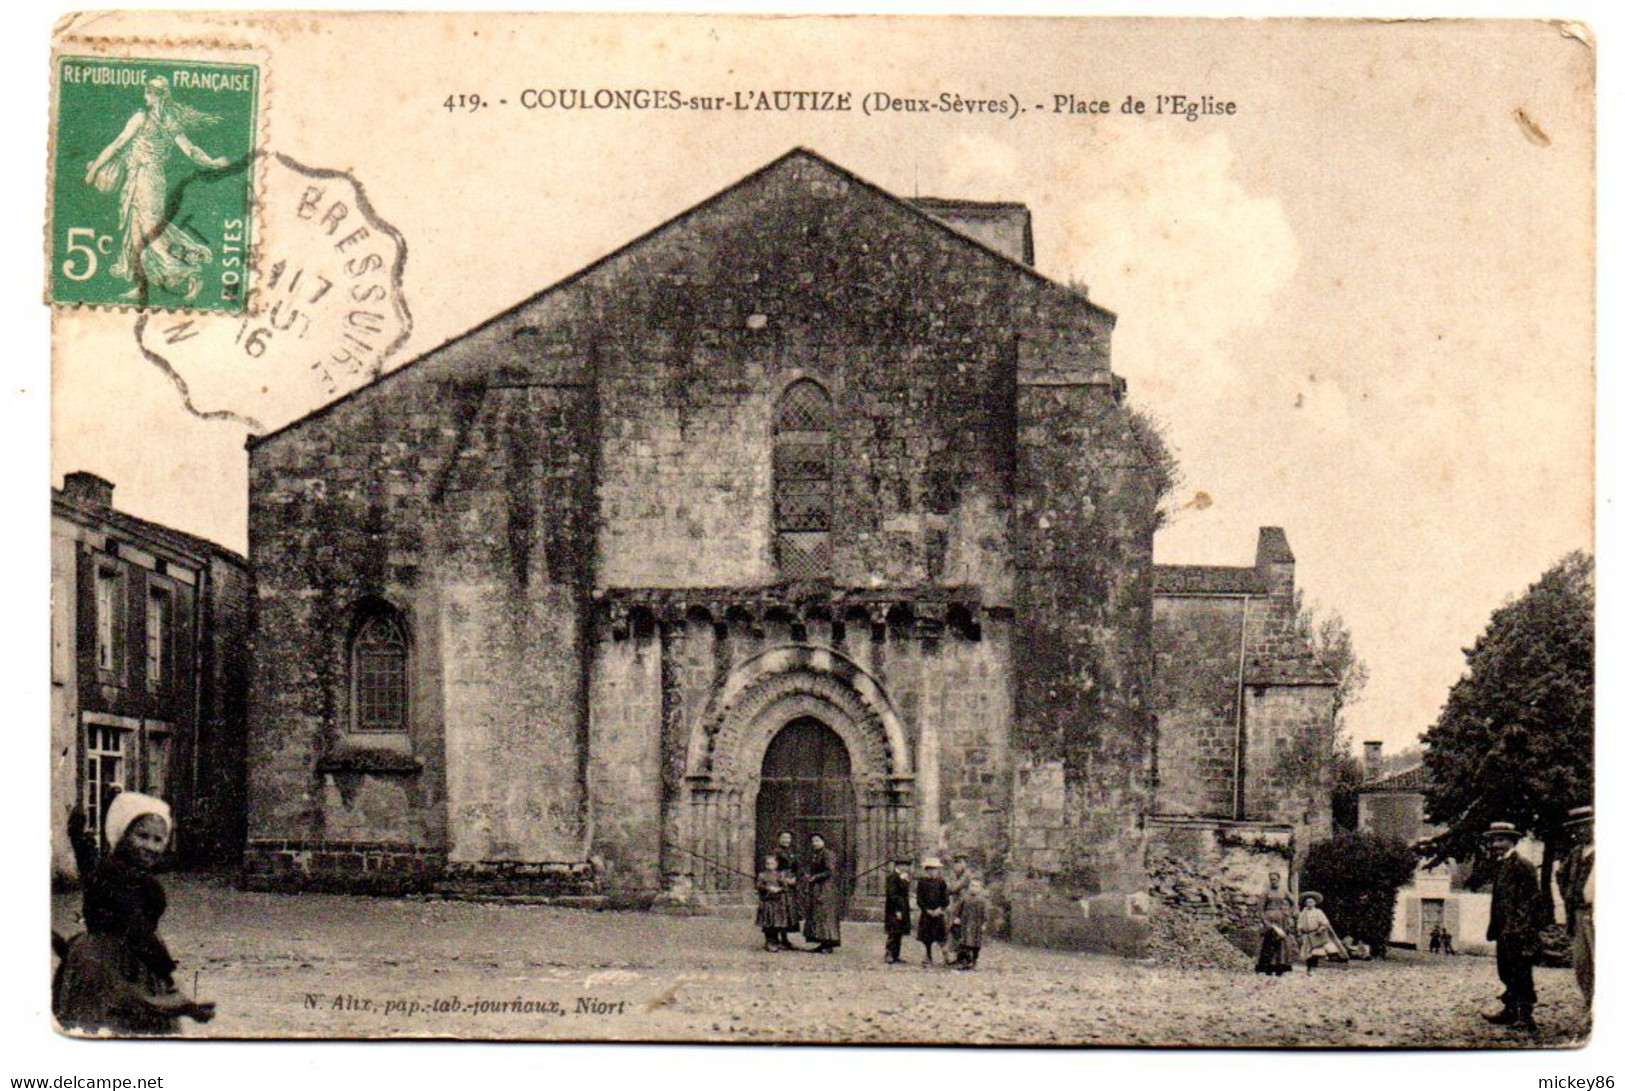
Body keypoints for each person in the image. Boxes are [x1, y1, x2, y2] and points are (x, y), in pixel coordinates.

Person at [53, 792, 215, 1034]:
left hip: (127, 960)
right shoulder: (116, 873)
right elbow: (135, 925)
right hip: (109, 966)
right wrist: (170, 974)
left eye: (158, 839)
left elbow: (89, 869)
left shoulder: (118, 870)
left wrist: (78, 837)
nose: (150, 846)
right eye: (142, 836)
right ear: (122, 835)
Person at [83, 78, 231, 301]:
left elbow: (117, 144)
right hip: (143, 178)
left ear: (152, 95)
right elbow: (191, 151)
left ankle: (190, 272)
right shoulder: (170, 121)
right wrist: (211, 162)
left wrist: (93, 170)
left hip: (147, 179)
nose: (146, 96)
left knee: (151, 231)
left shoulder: (141, 118)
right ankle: (142, 284)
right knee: (136, 232)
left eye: (148, 93)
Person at [1483, 821, 1547, 1028]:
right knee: (1505, 970)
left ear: (1512, 841)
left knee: (1521, 971)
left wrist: (1523, 929)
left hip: (1519, 929)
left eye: (1500, 840)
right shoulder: (1501, 865)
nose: (1495, 844)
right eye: (1493, 840)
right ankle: (1510, 1011)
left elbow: (1532, 900)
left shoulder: (1523, 865)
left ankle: (1526, 1016)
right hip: (1504, 928)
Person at [1559, 806, 1595, 1008]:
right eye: (1575, 828)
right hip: (1578, 913)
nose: (1579, 832)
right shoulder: (1576, 852)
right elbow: (1561, 876)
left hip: (1598, 912)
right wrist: (1569, 895)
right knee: (1581, 963)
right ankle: (1590, 1004)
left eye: (1584, 826)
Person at [801, 833, 842, 953]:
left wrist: (815, 877)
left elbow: (830, 870)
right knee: (818, 914)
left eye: (817, 841)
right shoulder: (816, 854)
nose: (815, 843)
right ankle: (823, 942)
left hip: (826, 887)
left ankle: (828, 944)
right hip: (818, 886)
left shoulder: (828, 854)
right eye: (813, 841)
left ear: (823, 841)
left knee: (825, 914)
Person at [1254, 871, 1295, 976]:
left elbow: (1293, 903)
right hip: (1269, 918)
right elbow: (1260, 909)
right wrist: (1265, 921)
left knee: (1280, 942)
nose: (1273, 881)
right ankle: (1266, 968)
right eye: (1271, 879)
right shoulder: (1266, 892)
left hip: (1281, 919)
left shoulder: (1284, 891)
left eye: (1275, 879)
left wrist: (1288, 914)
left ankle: (1279, 967)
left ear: (1279, 879)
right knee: (1267, 942)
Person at [1296, 893, 1349, 972]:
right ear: (1305, 904)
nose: (1309, 904)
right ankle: (1310, 967)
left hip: (1317, 934)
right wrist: (1299, 930)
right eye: (1307, 902)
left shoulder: (1318, 912)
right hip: (1307, 935)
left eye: (1311, 902)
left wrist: (1322, 927)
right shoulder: (1303, 913)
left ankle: (1339, 961)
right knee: (1308, 951)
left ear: (1314, 903)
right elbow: (1299, 922)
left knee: (1320, 950)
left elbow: (1325, 922)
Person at [756, 853, 796, 952]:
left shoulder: (780, 874)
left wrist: (781, 887)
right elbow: (759, 886)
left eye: (772, 864)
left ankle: (779, 941)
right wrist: (767, 887)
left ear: (777, 864)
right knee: (768, 922)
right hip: (767, 902)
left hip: (778, 902)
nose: (770, 866)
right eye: (767, 864)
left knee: (777, 921)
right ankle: (769, 941)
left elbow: (785, 887)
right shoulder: (762, 875)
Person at [915, 857, 950, 965]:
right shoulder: (922, 882)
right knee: (927, 937)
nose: (933, 871)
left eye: (935, 869)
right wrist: (926, 910)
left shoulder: (941, 882)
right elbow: (919, 899)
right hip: (927, 913)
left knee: (941, 936)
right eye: (930, 869)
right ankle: (928, 955)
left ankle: (946, 956)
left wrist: (941, 908)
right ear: (926, 870)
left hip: (938, 913)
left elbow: (945, 898)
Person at [773, 831, 804, 949]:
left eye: (788, 838)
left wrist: (795, 878)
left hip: (791, 884)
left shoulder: (792, 852)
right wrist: (783, 880)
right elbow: (772, 868)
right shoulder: (776, 852)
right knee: (779, 911)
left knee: (788, 911)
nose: (786, 840)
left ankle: (785, 938)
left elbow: (796, 867)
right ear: (779, 839)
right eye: (784, 838)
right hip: (779, 882)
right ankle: (775, 939)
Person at [953, 877, 989, 971]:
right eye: (972, 885)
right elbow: (958, 909)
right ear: (969, 887)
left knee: (976, 944)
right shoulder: (964, 898)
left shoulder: (982, 900)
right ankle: (964, 961)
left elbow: (985, 913)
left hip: (977, 924)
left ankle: (974, 960)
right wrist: (957, 918)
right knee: (964, 943)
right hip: (965, 923)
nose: (974, 888)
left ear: (980, 888)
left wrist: (984, 923)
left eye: (976, 886)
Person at [883, 858, 913, 964]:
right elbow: (892, 895)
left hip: (902, 908)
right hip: (894, 909)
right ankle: (889, 954)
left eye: (907, 865)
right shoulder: (892, 877)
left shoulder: (903, 877)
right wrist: (898, 910)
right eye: (904, 865)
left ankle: (896, 955)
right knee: (893, 932)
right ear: (899, 866)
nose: (907, 868)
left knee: (899, 932)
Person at [945, 853, 973, 963]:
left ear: (965, 863)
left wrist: (953, 884)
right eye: (956, 863)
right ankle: (959, 956)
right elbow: (949, 889)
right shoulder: (956, 875)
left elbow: (953, 888)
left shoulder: (967, 875)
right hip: (957, 907)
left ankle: (965, 958)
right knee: (956, 930)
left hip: (966, 907)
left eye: (960, 862)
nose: (957, 865)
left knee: (963, 931)